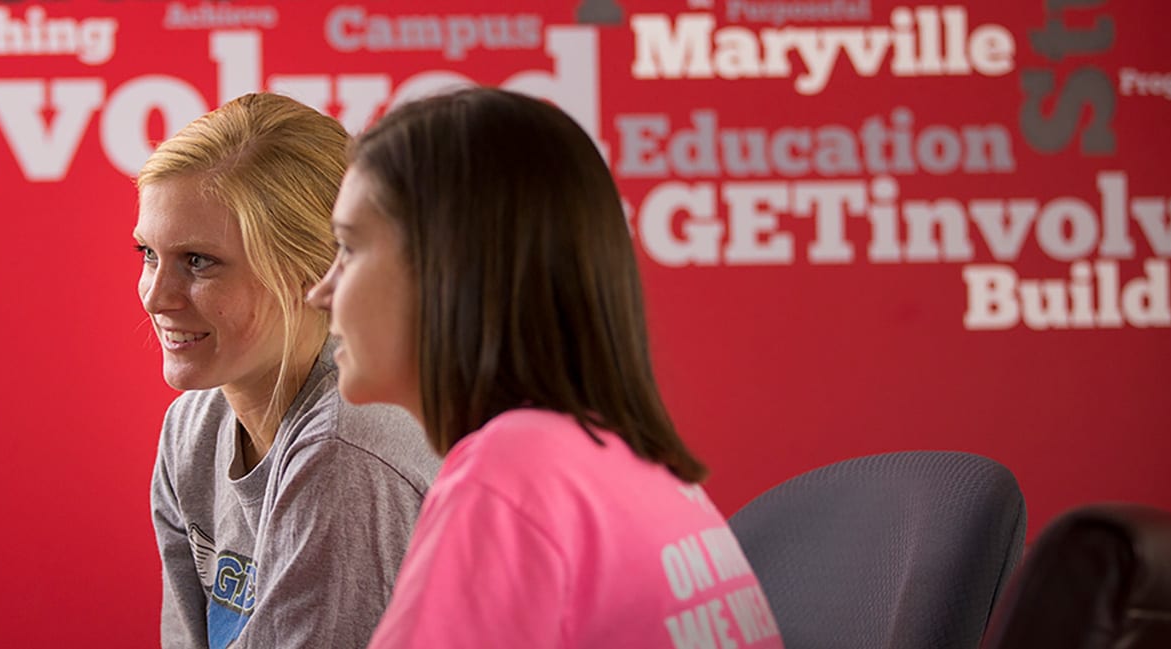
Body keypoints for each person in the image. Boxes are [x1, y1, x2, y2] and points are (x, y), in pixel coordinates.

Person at [306, 87, 786, 649]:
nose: (320, 291)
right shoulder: (628, 460)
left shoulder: (511, 473)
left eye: (349, 249)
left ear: (453, 269)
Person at [136, 93, 442, 649]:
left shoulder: (349, 446)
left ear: (313, 270)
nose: (157, 297)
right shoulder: (191, 428)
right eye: (148, 254)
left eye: (199, 262)